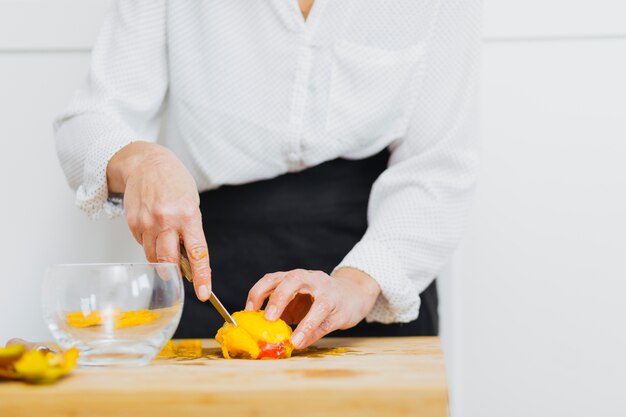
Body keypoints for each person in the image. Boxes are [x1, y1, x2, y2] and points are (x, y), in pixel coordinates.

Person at [54, 0, 480, 349]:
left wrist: (358, 284)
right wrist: (140, 161)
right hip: (209, 273)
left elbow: (438, 167)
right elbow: (90, 118)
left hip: (374, 276)